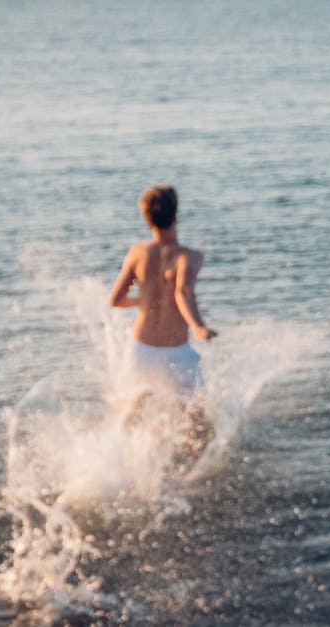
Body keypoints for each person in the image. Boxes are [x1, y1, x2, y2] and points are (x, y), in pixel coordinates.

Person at [108, 184, 217, 461]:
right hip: (177, 353)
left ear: (147, 218)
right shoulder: (188, 256)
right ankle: (192, 476)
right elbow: (182, 292)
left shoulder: (137, 252)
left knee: (123, 416)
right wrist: (198, 326)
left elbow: (117, 299)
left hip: (141, 350)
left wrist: (143, 302)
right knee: (198, 420)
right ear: (176, 214)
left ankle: (116, 467)